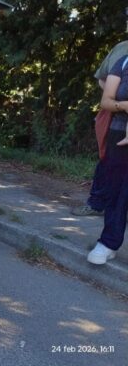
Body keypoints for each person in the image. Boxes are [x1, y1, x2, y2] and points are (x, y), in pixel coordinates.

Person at [72, 40, 128, 216]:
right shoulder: (121, 49)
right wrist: (118, 97)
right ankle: (96, 204)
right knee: (107, 161)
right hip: (116, 117)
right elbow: (102, 78)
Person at [87, 53, 128, 264]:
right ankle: (108, 243)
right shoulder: (124, 61)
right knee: (116, 192)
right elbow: (106, 100)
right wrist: (125, 106)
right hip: (119, 134)